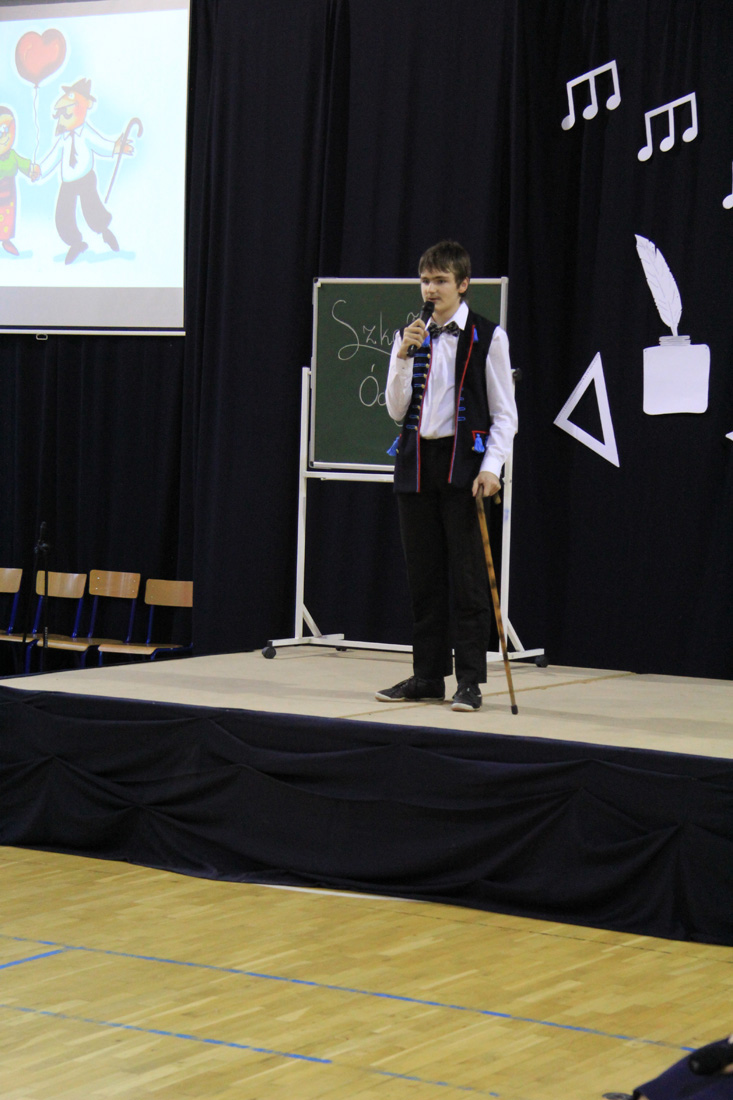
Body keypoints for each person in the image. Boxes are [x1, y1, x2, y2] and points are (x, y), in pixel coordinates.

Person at [375, 240, 517, 712]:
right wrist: (401, 358)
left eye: (440, 280)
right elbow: (397, 410)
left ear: (463, 284)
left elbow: (504, 413)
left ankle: (470, 680)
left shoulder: (488, 336)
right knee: (425, 578)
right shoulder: (409, 335)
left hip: (464, 467)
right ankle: (428, 676)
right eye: (425, 280)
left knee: (468, 579)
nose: (431, 289)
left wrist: (492, 467)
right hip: (417, 465)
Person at [35, 78, 133, 265]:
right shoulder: (63, 138)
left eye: (69, 109)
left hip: (86, 178)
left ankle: (104, 231)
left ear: (85, 106)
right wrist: (40, 170)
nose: (64, 115)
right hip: (68, 182)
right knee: (63, 213)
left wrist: (118, 147)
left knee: (91, 207)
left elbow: (101, 144)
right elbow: (53, 157)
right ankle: (75, 243)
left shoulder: (85, 133)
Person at [0, 106, 36, 255]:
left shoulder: (12, 155)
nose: (3, 137)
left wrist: (33, 170)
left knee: (7, 217)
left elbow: (24, 165)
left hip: (8, 191)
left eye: (5, 130)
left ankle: (5, 240)